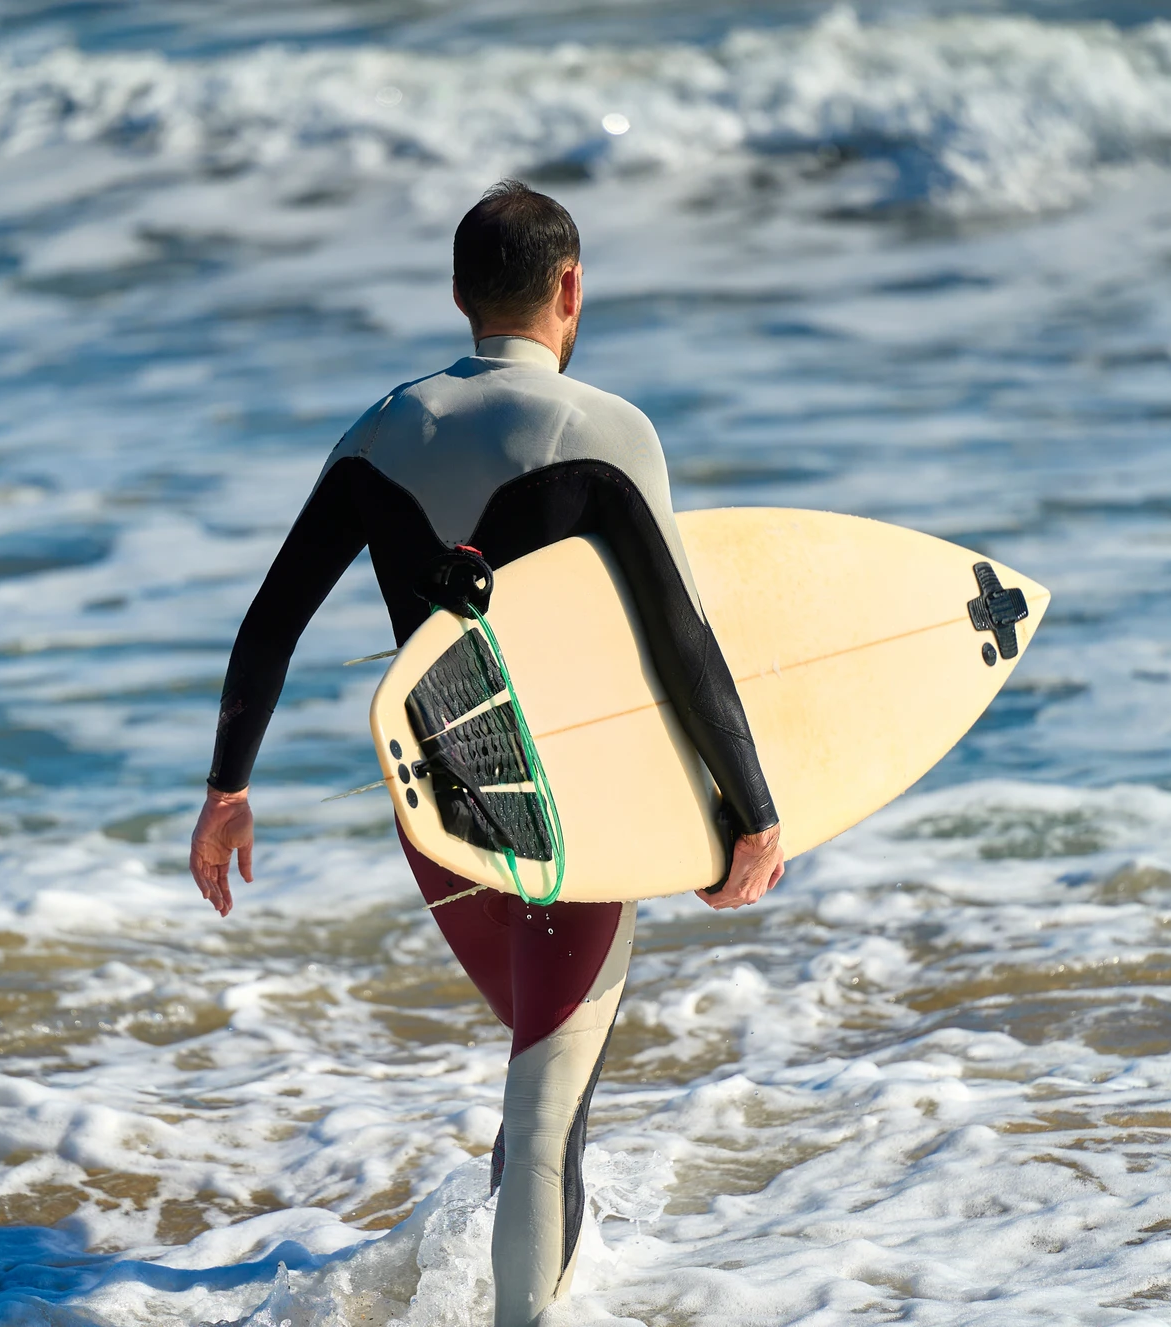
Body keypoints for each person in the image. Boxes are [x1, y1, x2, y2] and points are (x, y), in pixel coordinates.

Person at [189, 180, 784, 1327]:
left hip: (437, 815)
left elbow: (269, 623)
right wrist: (751, 809)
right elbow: (681, 636)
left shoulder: (379, 430)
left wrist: (227, 792)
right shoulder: (608, 430)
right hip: (569, 811)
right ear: (571, 287)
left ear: (459, 294)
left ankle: (500, 1285)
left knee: (539, 1067)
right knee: (553, 1093)